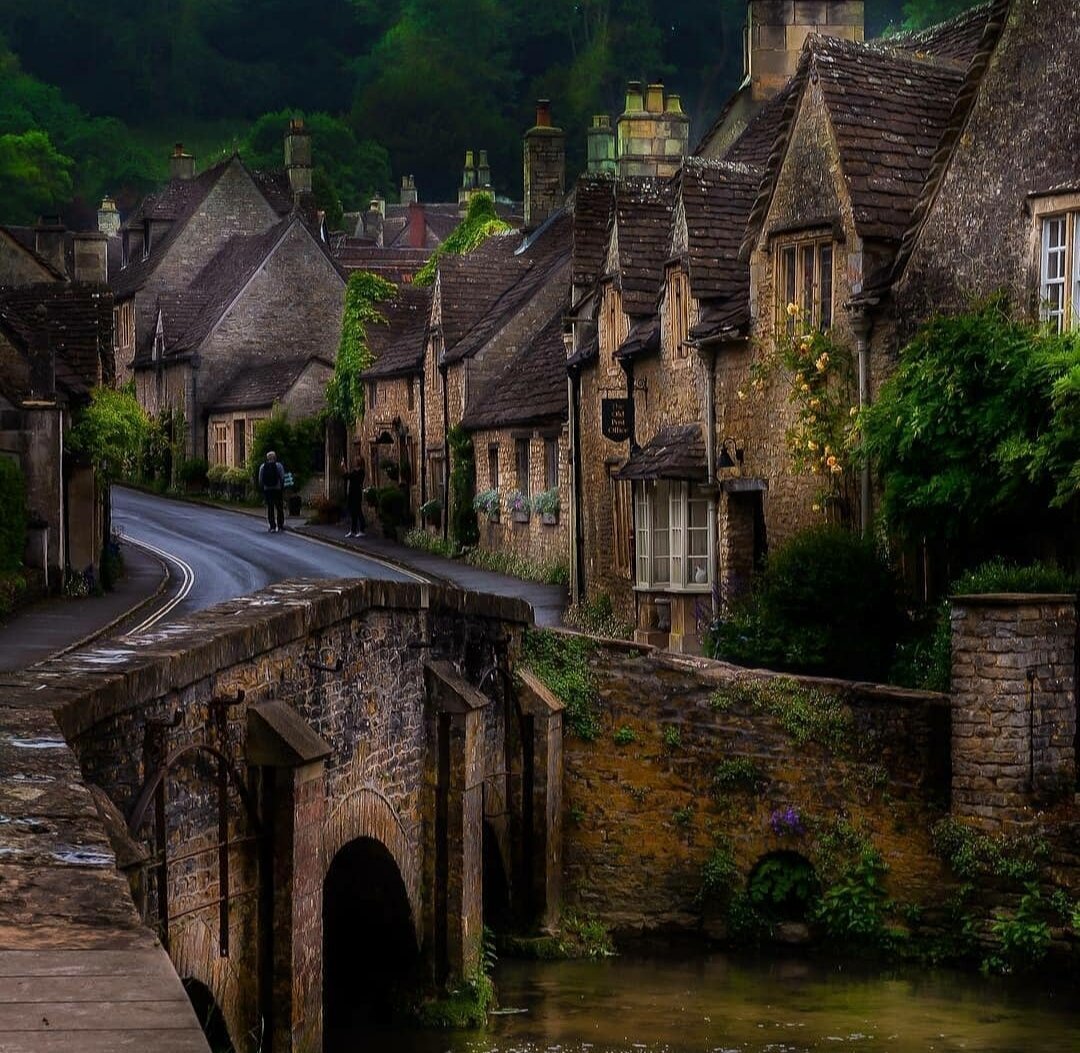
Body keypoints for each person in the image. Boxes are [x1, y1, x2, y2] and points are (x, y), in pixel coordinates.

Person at [259, 450, 286, 532]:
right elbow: (282, 477)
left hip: (267, 489)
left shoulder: (263, 466)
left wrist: (263, 487)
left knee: (270, 508)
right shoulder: (279, 466)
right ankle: (280, 526)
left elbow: (260, 479)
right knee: (279, 508)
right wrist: (281, 486)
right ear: (275, 457)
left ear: (267, 458)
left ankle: (272, 526)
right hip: (277, 489)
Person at [342, 455, 366, 538]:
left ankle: (362, 530)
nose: (355, 461)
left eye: (356, 460)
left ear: (359, 462)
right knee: (353, 513)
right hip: (352, 493)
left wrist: (344, 468)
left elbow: (348, 476)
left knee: (358, 511)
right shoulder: (355, 471)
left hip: (356, 493)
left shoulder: (361, 472)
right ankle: (353, 530)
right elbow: (347, 477)